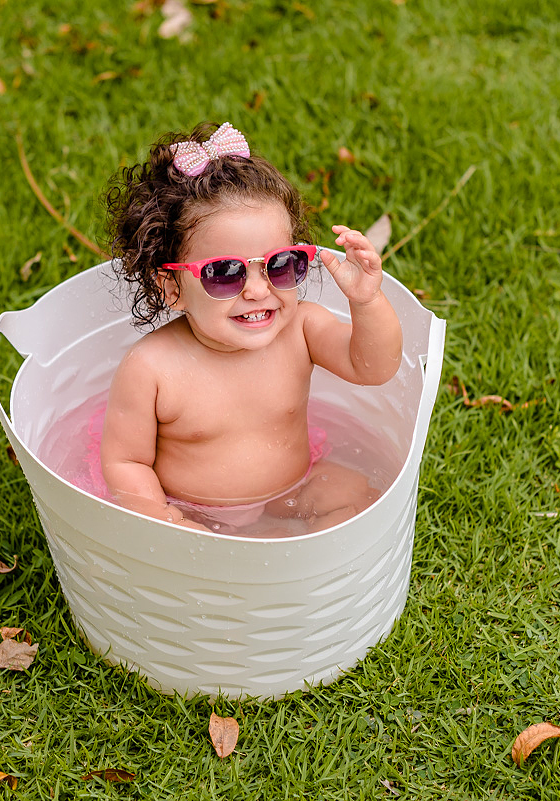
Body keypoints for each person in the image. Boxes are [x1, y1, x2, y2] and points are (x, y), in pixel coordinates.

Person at [99, 122, 402, 534]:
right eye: (224, 273)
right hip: (198, 513)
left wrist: (366, 301)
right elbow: (125, 462)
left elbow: (374, 367)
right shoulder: (151, 368)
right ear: (172, 288)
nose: (259, 291)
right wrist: (167, 520)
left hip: (296, 486)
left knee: (364, 501)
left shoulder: (301, 329)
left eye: (279, 264)